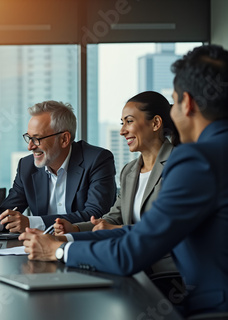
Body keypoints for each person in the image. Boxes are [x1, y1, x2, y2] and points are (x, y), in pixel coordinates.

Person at [20, 44, 228, 318]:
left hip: (211, 314)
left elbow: (133, 250)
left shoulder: (196, 160)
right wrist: (69, 238)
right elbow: (137, 230)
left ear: (186, 103)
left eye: (174, 103)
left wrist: (60, 252)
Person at [0, 100, 116, 234]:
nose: (30, 146)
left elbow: (95, 216)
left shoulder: (97, 160)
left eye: (37, 139)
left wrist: (31, 223)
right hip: (39, 247)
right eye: (29, 137)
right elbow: (9, 209)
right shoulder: (26, 166)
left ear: (64, 139)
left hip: (82, 245)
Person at [54, 91, 178, 235]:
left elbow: (166, 225)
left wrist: (116, 229)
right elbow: (114, 218)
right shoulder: (129, 170)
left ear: (155, 123)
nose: (122, 131)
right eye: (122, 123)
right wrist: (75, 229)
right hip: (132, 253)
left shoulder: (178, 164)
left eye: (129, 121)